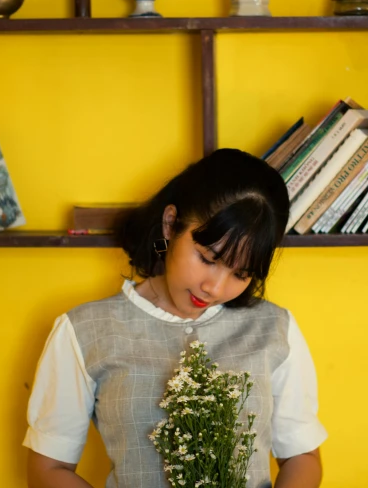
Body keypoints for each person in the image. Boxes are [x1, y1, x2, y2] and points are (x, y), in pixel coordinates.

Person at [23, 148, 328, 488]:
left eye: (240, 274)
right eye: (208, 258)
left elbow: (302, 457)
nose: (214, 287)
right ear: (170, 224)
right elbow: (48, 468)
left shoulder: (275, 329)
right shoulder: (83, 331)